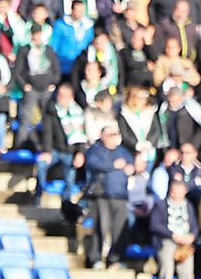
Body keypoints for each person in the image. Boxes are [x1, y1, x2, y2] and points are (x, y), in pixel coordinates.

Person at [84, 126, 133, 269]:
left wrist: (132, 168)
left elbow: (132, 164)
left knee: (120, 230)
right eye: (111, 134)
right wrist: (113, 165)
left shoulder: (122, 151)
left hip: (120, 196)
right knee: (101, 227)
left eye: (116, 134)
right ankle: (95, 258)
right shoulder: (96, 149)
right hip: (102, 195)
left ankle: (115, 259)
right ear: (103, 136)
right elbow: (93, 163)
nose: (114, 137)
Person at [151, 178, 199, 279]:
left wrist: (192, 236)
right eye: (175, 193)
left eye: (181, 193)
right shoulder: (160, 205)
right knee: (166, 273)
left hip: (185, 243)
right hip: (167, 241)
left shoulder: (188, 206)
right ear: (171, 192)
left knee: (187, 277)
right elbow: (155, 225)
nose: (178, 196)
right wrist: (172, 235)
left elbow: (194, 225)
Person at [35, 82, 88, 202]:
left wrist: (80, 153)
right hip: (54, 149)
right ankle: (38, 196)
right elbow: (47, 133)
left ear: (71, 97)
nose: (61, 98)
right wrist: (47, 151)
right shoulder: (51, 111)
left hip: (70, 151)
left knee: (70, 179)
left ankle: (66, 204)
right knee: (41, 165)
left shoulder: (78, 113)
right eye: (59, 95)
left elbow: (82, 136)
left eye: (64, 96)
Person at [51, 0, 94, 70]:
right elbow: (54, 44)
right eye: (78, 11)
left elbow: (90, 43)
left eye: (82, 11)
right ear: (72, 10)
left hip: (81, 64)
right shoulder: (61, 24)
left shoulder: (88, 26)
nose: (80, 14)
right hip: (63, 63)